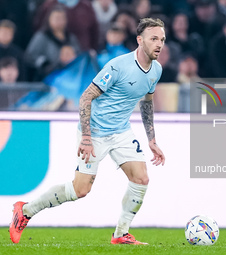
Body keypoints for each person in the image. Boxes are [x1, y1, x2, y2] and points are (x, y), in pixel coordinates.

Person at [10, 17, 166, 245]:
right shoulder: (117, 66)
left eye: (162, 39)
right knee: (80, 190)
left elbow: (147, 102)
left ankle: (121, 234)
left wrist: (151, 139)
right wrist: (85, 137)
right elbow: (86, 97)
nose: (159, 44)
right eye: (154, 38)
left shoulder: (156, 70)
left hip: (121, 132)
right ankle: (25, 211)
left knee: (141, 178)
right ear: (139, 40)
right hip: (93, 132)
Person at [25, 6, 81, 80]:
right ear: (49, 19)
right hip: (47, 77)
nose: (60, 21)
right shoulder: (42, 37)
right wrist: (44, 64)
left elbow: (79, 54)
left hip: (69, 76)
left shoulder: (70, 38)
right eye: (57, 18)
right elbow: (29, 56)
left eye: (62, 18)